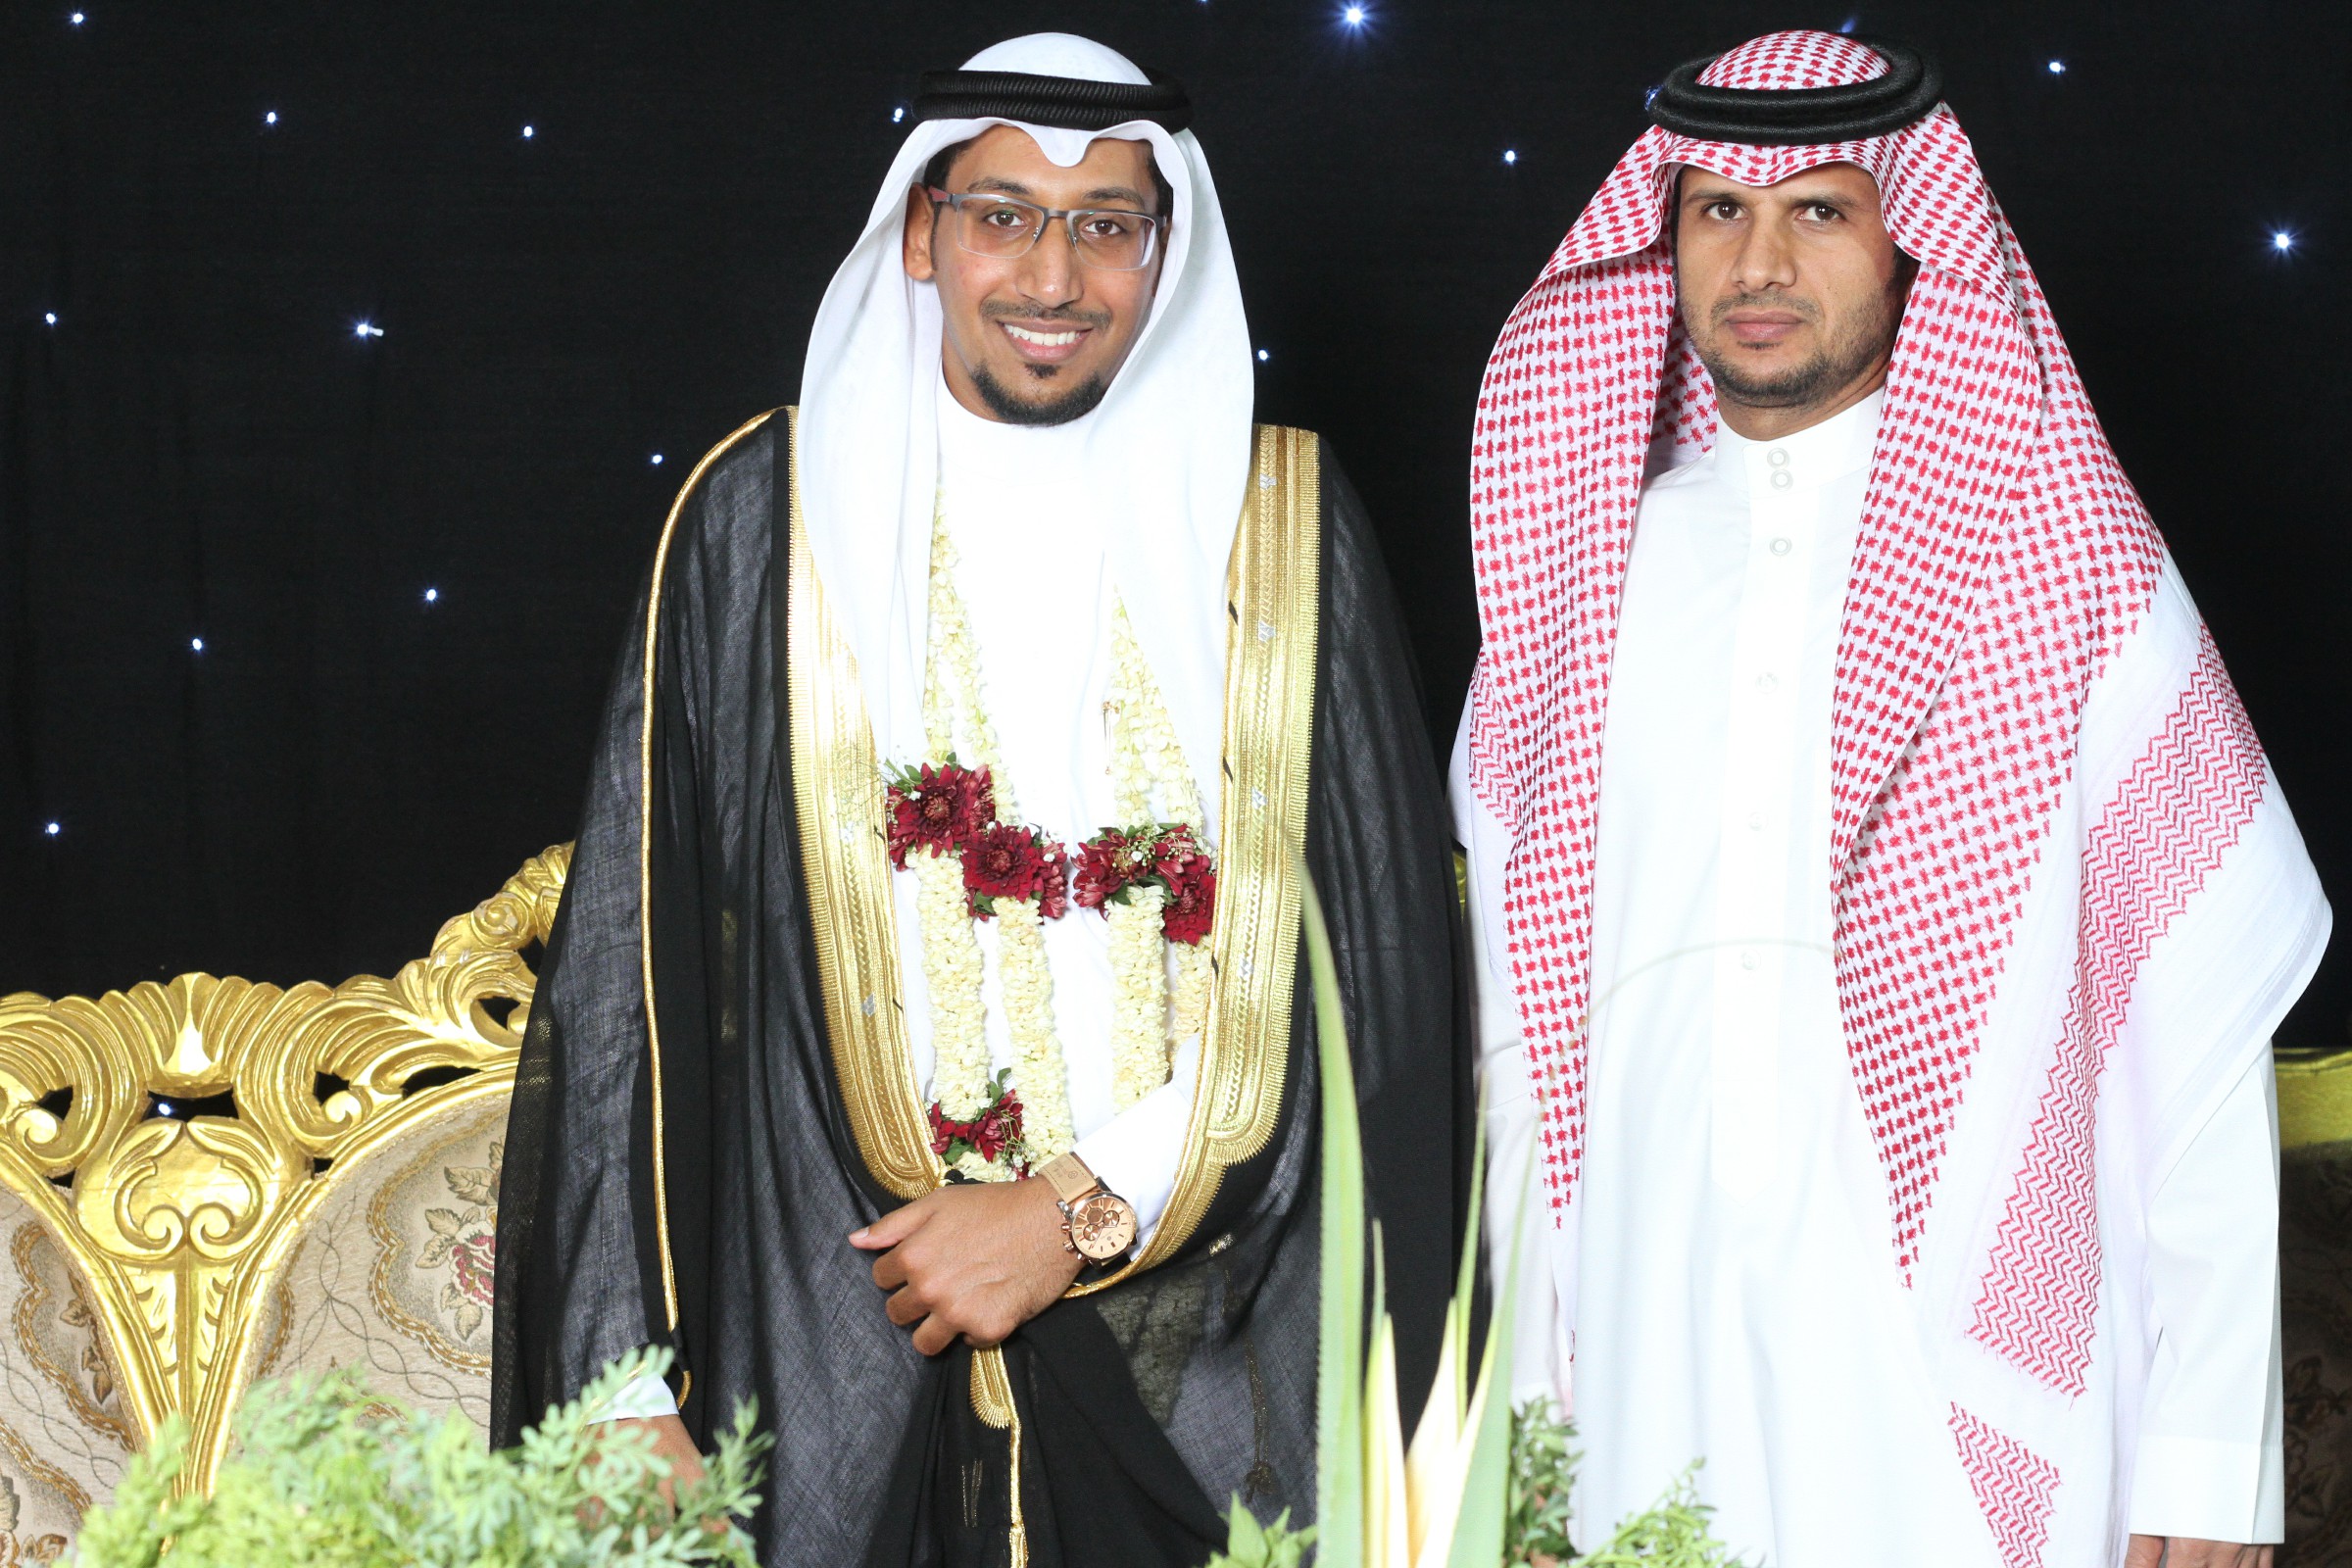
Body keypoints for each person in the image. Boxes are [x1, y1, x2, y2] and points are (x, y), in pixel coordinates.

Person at [490, 31, 1466, 1568]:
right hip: (845, 1340)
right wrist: (618, 1383)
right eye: (1004, 215)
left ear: (1164, 251)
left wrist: (1072, 1209)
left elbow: (1368, 982)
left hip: (1210, 1353)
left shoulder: (1280, 526)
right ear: (921, 232)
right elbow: (629, 966)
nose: (1052, 278)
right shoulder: (763, 522)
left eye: (1105, 225)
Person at [1457, 29, 2325, 1568]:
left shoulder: (2054, 550)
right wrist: (1514, 1433)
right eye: (1718, 212)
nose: (1759, 262)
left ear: (1908, 234)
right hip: (1644, 1335)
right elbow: (1520, 1039)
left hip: (1950, 1356)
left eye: (1819, 210)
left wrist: (2211, 1458)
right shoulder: (1585, 575)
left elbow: (2190, 1017)